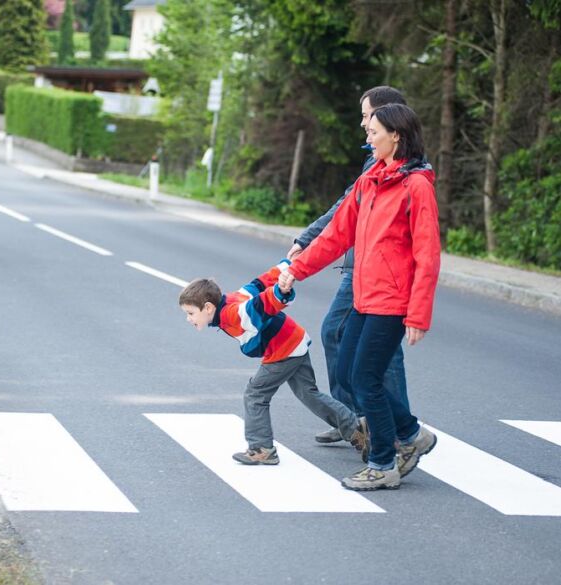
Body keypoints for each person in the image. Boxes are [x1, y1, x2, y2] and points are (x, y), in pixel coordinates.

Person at [280, 104, 441, 491]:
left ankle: (384, 462)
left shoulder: (416, 186)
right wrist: (296, 269)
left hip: (392, 300)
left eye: (374, 133)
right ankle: (410, 432)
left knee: (366, 379)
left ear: (396, 136)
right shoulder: (371, 180)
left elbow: (428, 254)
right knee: (354, 374)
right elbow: (337, 234)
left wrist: (418, 315)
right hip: (364, 296)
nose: (367, 138)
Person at [287, 86, 411, 446]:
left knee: (365, 346)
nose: (362, 125)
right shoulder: (375, 158)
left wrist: (305, 242)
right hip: (360, 265)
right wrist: (307, 240)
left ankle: (385, 427)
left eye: (367, 117)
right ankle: (357, 420)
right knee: (351, 340)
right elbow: (347, 208)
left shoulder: (401, 168)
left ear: (387, 119)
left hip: (374, 270)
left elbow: (347, 211)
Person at [178, 260, 367, 466]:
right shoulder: (233, 299)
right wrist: (287, 265)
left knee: (255, 394)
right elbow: (259, 283)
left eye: (190, 313)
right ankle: (356, 429)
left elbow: (261, 304)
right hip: (294, 340)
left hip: (283, 349)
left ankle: (261, 448)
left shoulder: (232, 314)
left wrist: (280, 291)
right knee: (309, 394)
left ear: (207, 307)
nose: (188, 319)